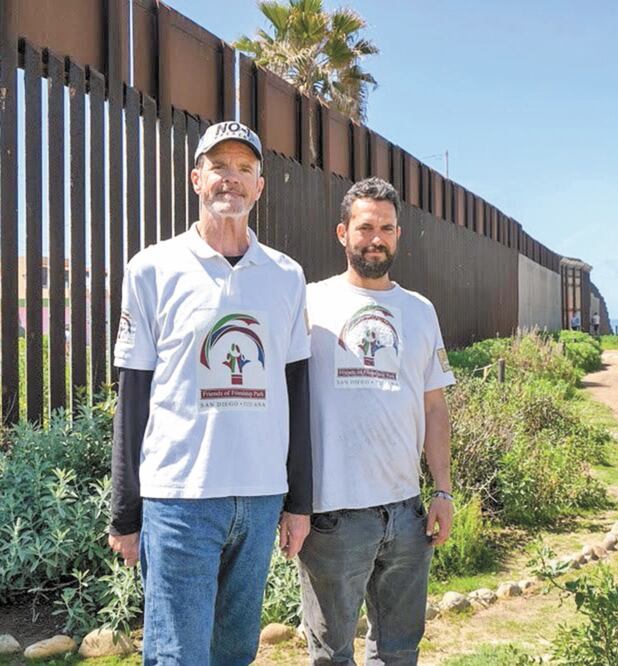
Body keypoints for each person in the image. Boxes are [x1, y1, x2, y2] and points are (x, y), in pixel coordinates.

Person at [108, 121, 312, 666]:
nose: (231, 179)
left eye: (244, 168)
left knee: (234, 654)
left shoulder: (287, 276)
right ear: (196, 178)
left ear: (260, 186)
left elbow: (296, 390)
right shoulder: (152, 268)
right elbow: (133, 392)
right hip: (180, 498)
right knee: (178, 656)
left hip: (261, 495)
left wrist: (299, 502)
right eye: (219, 166)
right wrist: (125, 510)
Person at [299, 177, 455, 665]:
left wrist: (444, 491)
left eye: (387, 227)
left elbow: (434, 408)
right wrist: (292, 503)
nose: (376, 238)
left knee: (399, 650)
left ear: (398, 235)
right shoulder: (307, 303)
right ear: (341, 233)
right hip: (332, 515)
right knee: (331, 655)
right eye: (365, 227)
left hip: (407, 514)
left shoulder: (420, 311)